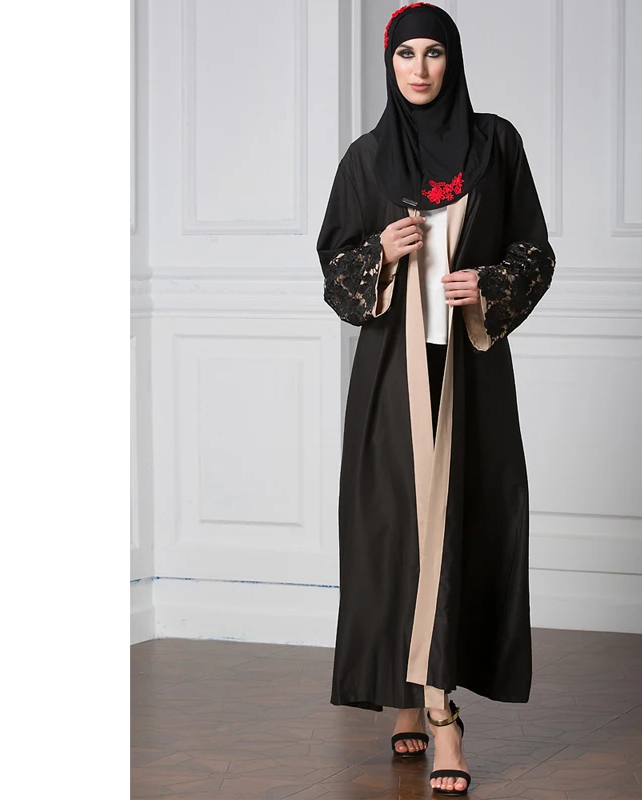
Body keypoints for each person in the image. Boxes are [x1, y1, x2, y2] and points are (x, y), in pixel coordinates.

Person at [316, 3, 555, 796]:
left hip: (471, 371)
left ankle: (442, 708)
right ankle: (411, 696)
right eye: (405, 54)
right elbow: (335, 270)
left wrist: (488, 282)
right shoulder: (367, 159)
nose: (418, 68)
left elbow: (535, 249)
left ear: (453, 60)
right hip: (392, 376)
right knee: (395, 532)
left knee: (457, 530)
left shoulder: (495, 145)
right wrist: (379, 254)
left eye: (433, 52)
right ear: (389, 64)